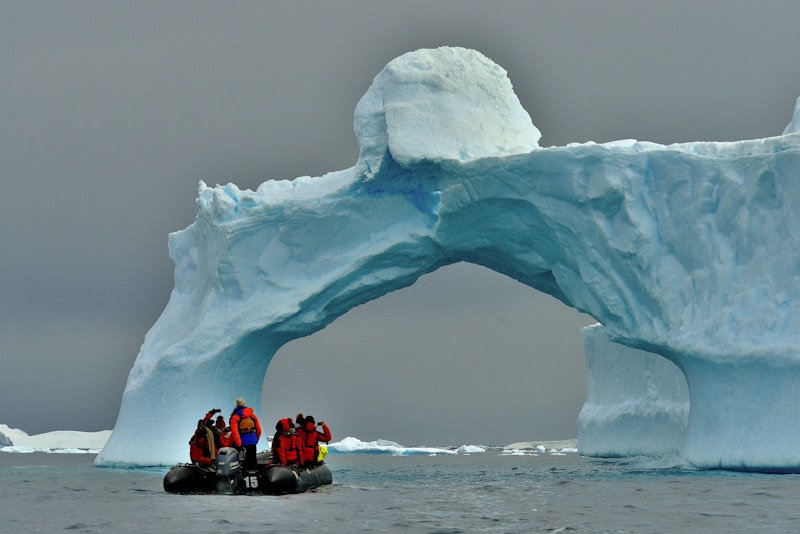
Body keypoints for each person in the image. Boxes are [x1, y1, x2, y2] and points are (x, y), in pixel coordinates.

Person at [229, 398, 262, 470]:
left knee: (241, 462)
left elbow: (235, 432)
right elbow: (259, 430)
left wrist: (238, 444)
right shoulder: (253, 416)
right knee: (252, 461)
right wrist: (255, 439)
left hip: (241, 443)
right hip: (252, 442)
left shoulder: (235, 417)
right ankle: (253, 474)